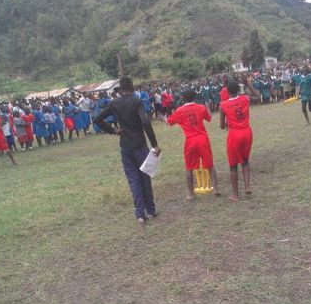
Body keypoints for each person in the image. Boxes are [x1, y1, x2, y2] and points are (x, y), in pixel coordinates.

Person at [94, 76, 161, 224]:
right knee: (144, 177)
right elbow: (145, 122)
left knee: (133, 180)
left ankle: (139, 214)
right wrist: (154, 144)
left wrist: (112, 130)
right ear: (132, 87)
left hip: (125, 146)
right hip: (140, 145)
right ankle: (150, 209)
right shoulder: (137, 101)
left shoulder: (114, 103)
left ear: (120, 89)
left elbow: (97, 119)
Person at [167, 89, 220, 200]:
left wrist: (163, 118)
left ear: (182, 98)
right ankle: (216, 189)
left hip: (190, 140)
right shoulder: (201, 107)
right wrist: (208, 108)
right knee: (210, 165)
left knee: (189, 167)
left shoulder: (179, 110)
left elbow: (169, 122)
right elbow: (209, 119)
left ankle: (191, 194)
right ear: (194, 97)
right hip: (202, 139)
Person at [219, 78, 257, 202]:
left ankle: (235, 195)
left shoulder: (223, 105)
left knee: (233, 165)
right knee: (245, 160)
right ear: (239, 90)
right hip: (247, 132)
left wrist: (226, 121)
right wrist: (248, 84)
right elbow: (257, 96)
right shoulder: (245, 98)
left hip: (235, 135)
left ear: (227, 91)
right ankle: (247, 185)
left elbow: (222, 126)